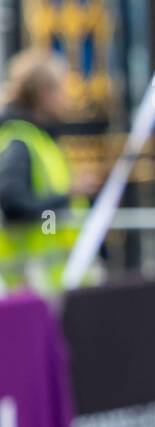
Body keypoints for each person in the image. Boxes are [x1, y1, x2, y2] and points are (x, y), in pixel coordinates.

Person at [0, 49, 92, 295]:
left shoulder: (39, 138)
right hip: (32, 285)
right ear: (44, 94)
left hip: (53, 285)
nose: (68, 98)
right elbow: (14, 205)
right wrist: (69, 194)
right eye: (62, 89)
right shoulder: (20, 141)